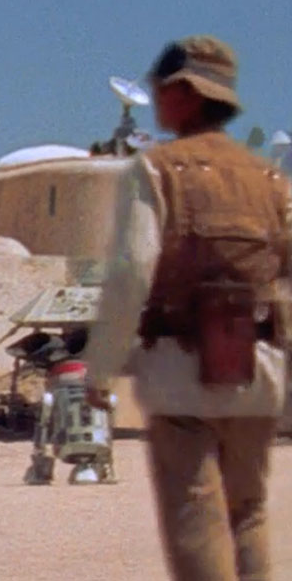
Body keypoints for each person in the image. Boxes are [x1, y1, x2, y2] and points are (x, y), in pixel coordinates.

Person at [84, 36, 289, 581]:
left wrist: (100, 368)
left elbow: (133, 270)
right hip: (258, 370)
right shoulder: (270, 180)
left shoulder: (157, 170)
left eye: (160, 89)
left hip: (181, 369)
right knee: (249, 513)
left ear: (184, 94)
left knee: (197, 514)